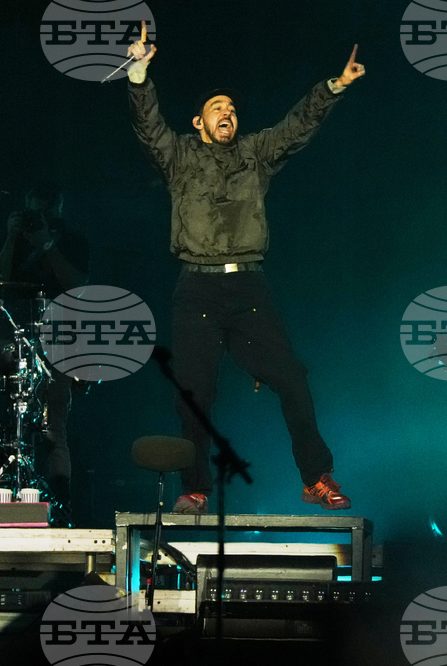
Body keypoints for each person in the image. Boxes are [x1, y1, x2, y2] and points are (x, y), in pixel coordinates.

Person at [125, 24, 365, 514]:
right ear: (198, 122)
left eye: (231, 109)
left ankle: (316, 478)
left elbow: (295, 128)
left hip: (249, 285)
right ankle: (194, 489)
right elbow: (149, 127)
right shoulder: (180, 158)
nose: (227, 114)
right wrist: (139, 75)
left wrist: (333, 87)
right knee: (194, 393)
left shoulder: (256, 153)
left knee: (292, 380)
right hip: (196, 289)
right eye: (217, 109)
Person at [0, 183, 90, 520]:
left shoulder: (73, 242)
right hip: (18, 337)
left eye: (45, 206)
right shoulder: (16, 243)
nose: (39, 214)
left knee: (54, 426)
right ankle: (6, 500)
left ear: (58, 205)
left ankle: (61, 504)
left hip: (60, 341)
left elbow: (78, 287)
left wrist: (47, 245)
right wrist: (11, 238)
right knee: (10, 423)